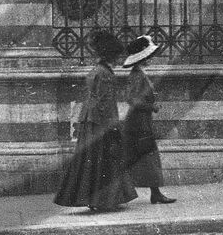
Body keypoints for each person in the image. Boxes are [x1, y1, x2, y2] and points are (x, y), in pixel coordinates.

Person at [54, 31, 137, 212]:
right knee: (104, 160)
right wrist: (113, 126)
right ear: (111, 56)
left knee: (91, 162)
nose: (118, 60)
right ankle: (103, 199)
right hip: (101, 122)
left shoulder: (97, 71)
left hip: (90, 121)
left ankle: (97, 199)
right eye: (116, 56)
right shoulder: (105, 73)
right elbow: (104, 103)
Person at [121, 35, 177, 205]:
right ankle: (153, 193)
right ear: (143, 57)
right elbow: (131, 99)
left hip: (141, 120)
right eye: (148, 57)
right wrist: (150, 107)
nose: (151, 59)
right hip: (138, 122)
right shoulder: (137, 75)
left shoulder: (140, 74)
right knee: (146, 157)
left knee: (147, 157)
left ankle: (155, 193)